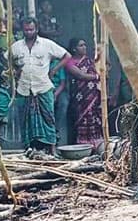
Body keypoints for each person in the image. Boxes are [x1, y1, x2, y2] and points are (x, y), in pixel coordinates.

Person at [11, 17, 67, 154]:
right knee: (26, 121)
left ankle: (52, 149)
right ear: (22, 30)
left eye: (31, 29)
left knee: (48, 119)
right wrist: (15, 71)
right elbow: (7, 61)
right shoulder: (16, 46)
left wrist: (54, 70)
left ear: (36, 29)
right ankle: (28, 149)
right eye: (26, 30)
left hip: (43, 87)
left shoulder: (47, 44)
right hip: (24, 89)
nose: (29, 32)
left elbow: (67, 56)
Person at [63, 38, 104, 151]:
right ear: (74, 48)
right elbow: (80, 75)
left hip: (94, 96)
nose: (84, 47)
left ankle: (97, 143)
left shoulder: (90, 61)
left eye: (85, 45)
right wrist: (97, 77)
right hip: (79, 97)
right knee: (82, 118)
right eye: (81, 45)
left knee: (94, 117)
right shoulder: (70, 62)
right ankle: (83, 144)